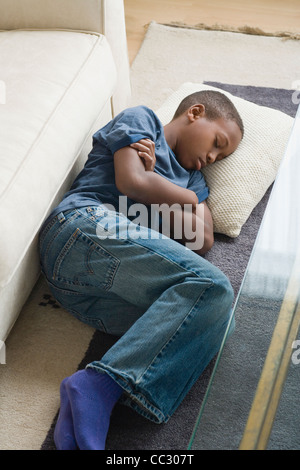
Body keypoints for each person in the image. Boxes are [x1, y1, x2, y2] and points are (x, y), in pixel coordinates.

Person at [39, 90, 244, 450]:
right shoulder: (142, 120)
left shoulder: (193, 180)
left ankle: (77, 422)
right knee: (213, 287)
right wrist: (177, 198)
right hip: (83, 229)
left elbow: (203, 236)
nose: (211, 158)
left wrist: (158, 184)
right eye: (217, 142)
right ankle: (99, 388)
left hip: (89, 293)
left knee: (213, 319)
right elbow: (131, 182)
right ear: (195, 113)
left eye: (220, 157)